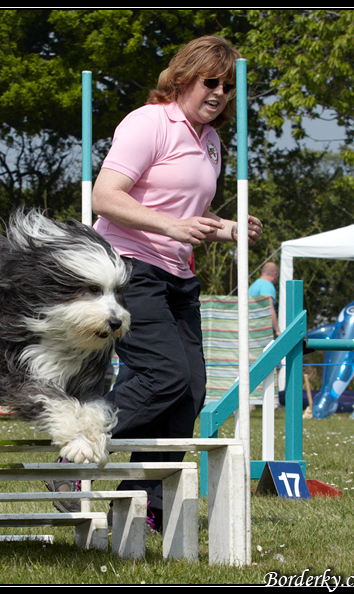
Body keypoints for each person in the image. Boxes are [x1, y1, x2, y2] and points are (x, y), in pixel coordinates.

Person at [81, 35, 262, 531]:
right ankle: (75, 453)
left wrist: (229, 229)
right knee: (166, 375)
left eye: (227, 86)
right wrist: (171, 227)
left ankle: (142, 509)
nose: (219, 92)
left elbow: (188, 215)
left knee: (190, 392)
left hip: (177, 275)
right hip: (127, 267)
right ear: (183, 79)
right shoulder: (149, 123)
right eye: (211, 81)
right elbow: (105, 197)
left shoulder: (211, 141)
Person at [249, 262, 280, 335]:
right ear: (274, 274)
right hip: (260, 331)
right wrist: (277, 330)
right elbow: (269, 308)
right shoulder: (267, 285)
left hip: (250, 328)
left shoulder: (253, 285)